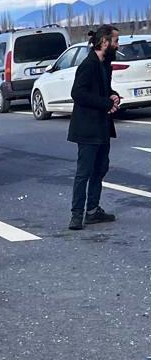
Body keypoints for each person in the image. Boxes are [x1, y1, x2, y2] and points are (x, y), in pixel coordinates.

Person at [67, 25, 121, 231]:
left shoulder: (105, 64)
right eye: (115, 41)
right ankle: (77, 214)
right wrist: (105, 103)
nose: (117, 46)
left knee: (100, 168)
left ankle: (92, 211)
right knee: (84, 172)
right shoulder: (88, 64)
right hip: (87, 127)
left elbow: (102, 90)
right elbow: (78, 94)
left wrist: (113, 95)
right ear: (104, 42)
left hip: (102, 126)